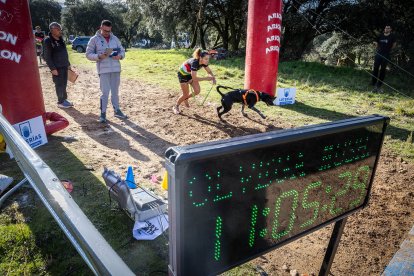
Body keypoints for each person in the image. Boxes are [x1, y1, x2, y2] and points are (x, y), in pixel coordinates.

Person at [86, 20, 127, 123]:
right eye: (104, 30)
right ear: (100, 28)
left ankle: (117, 110)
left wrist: (120, 56)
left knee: (115, 92)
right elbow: (88, 54)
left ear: (111, 29)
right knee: (105, 93)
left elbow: (122, 51)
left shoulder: (115, 39)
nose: (106, 33)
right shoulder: (94, 39)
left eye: (108, 31)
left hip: (116, 70)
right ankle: (103, 113)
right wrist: (98, 56)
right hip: (103, 71)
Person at [173, 48, 216, 114]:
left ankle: (186, 99)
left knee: (197, 91)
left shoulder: (204, 63)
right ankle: (176, 106)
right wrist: (206, 78)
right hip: (182, 75)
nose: (208, 61)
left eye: (208, 59)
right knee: (185, 94)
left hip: (190, 74)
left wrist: (213, 78)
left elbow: (209, 71)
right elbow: (195, 78)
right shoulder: (195, 63)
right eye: (206, 59)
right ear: (201, 58)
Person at [43, 22, 74, 108]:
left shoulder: (61, 39)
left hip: (64, 66)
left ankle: (64, 99)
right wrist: (53, 69)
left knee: (64, 84)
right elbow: (46, 56)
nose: (60, 31)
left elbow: (65, 53)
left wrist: (68, 64)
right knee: (59, 84)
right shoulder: (48, 40)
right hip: (56, 68)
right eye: (58, 29)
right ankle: (60, 102)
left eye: (60, 29)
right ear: (52, 30)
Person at [371, 25, 396, 92]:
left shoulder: (392, 36)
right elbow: (375, 41)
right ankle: (373, 83)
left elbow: (394, 45)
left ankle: (379, 84)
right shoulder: (380, 35)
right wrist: (375, 44)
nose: (386, 29)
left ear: (390, 29)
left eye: (388, 28)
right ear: (384, 29)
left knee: (383, 70)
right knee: (375, 68)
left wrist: (389, 50)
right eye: (386, 28)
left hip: (386, 54)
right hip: (378, 54)